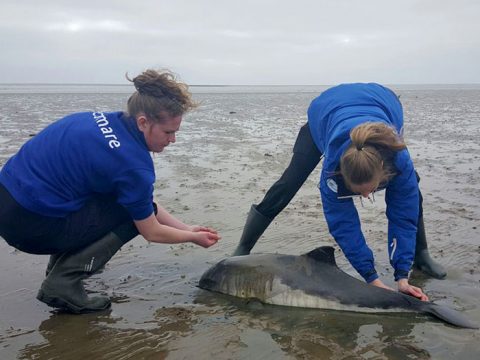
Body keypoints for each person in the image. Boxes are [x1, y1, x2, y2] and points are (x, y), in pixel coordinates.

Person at [0, 69, 220, 314]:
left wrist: (186, 227)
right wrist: (192, 238)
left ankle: (59, 271)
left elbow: (141, 200)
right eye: (168, 132)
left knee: (118, 199)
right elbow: (151, 231)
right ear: (143, 122)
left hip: (8, 207)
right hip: (31, 228)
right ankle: (62, 282)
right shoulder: (134, 164)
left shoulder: (94, 119)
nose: (173, 140)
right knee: (128, 215)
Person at [232, 82, 446, 300]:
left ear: (382, 168)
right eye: (358, 192)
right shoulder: (331, 170)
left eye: (370, 190)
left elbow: (403, 213)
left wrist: (402, 276)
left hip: (382, 104)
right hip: (324, 116)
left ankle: (421, 255)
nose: (365, 197)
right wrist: (371, 278)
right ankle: (243, 247)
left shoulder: (398, 160)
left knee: (411, 191)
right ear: (340, 174)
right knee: (288, 184)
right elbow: (343, 224)